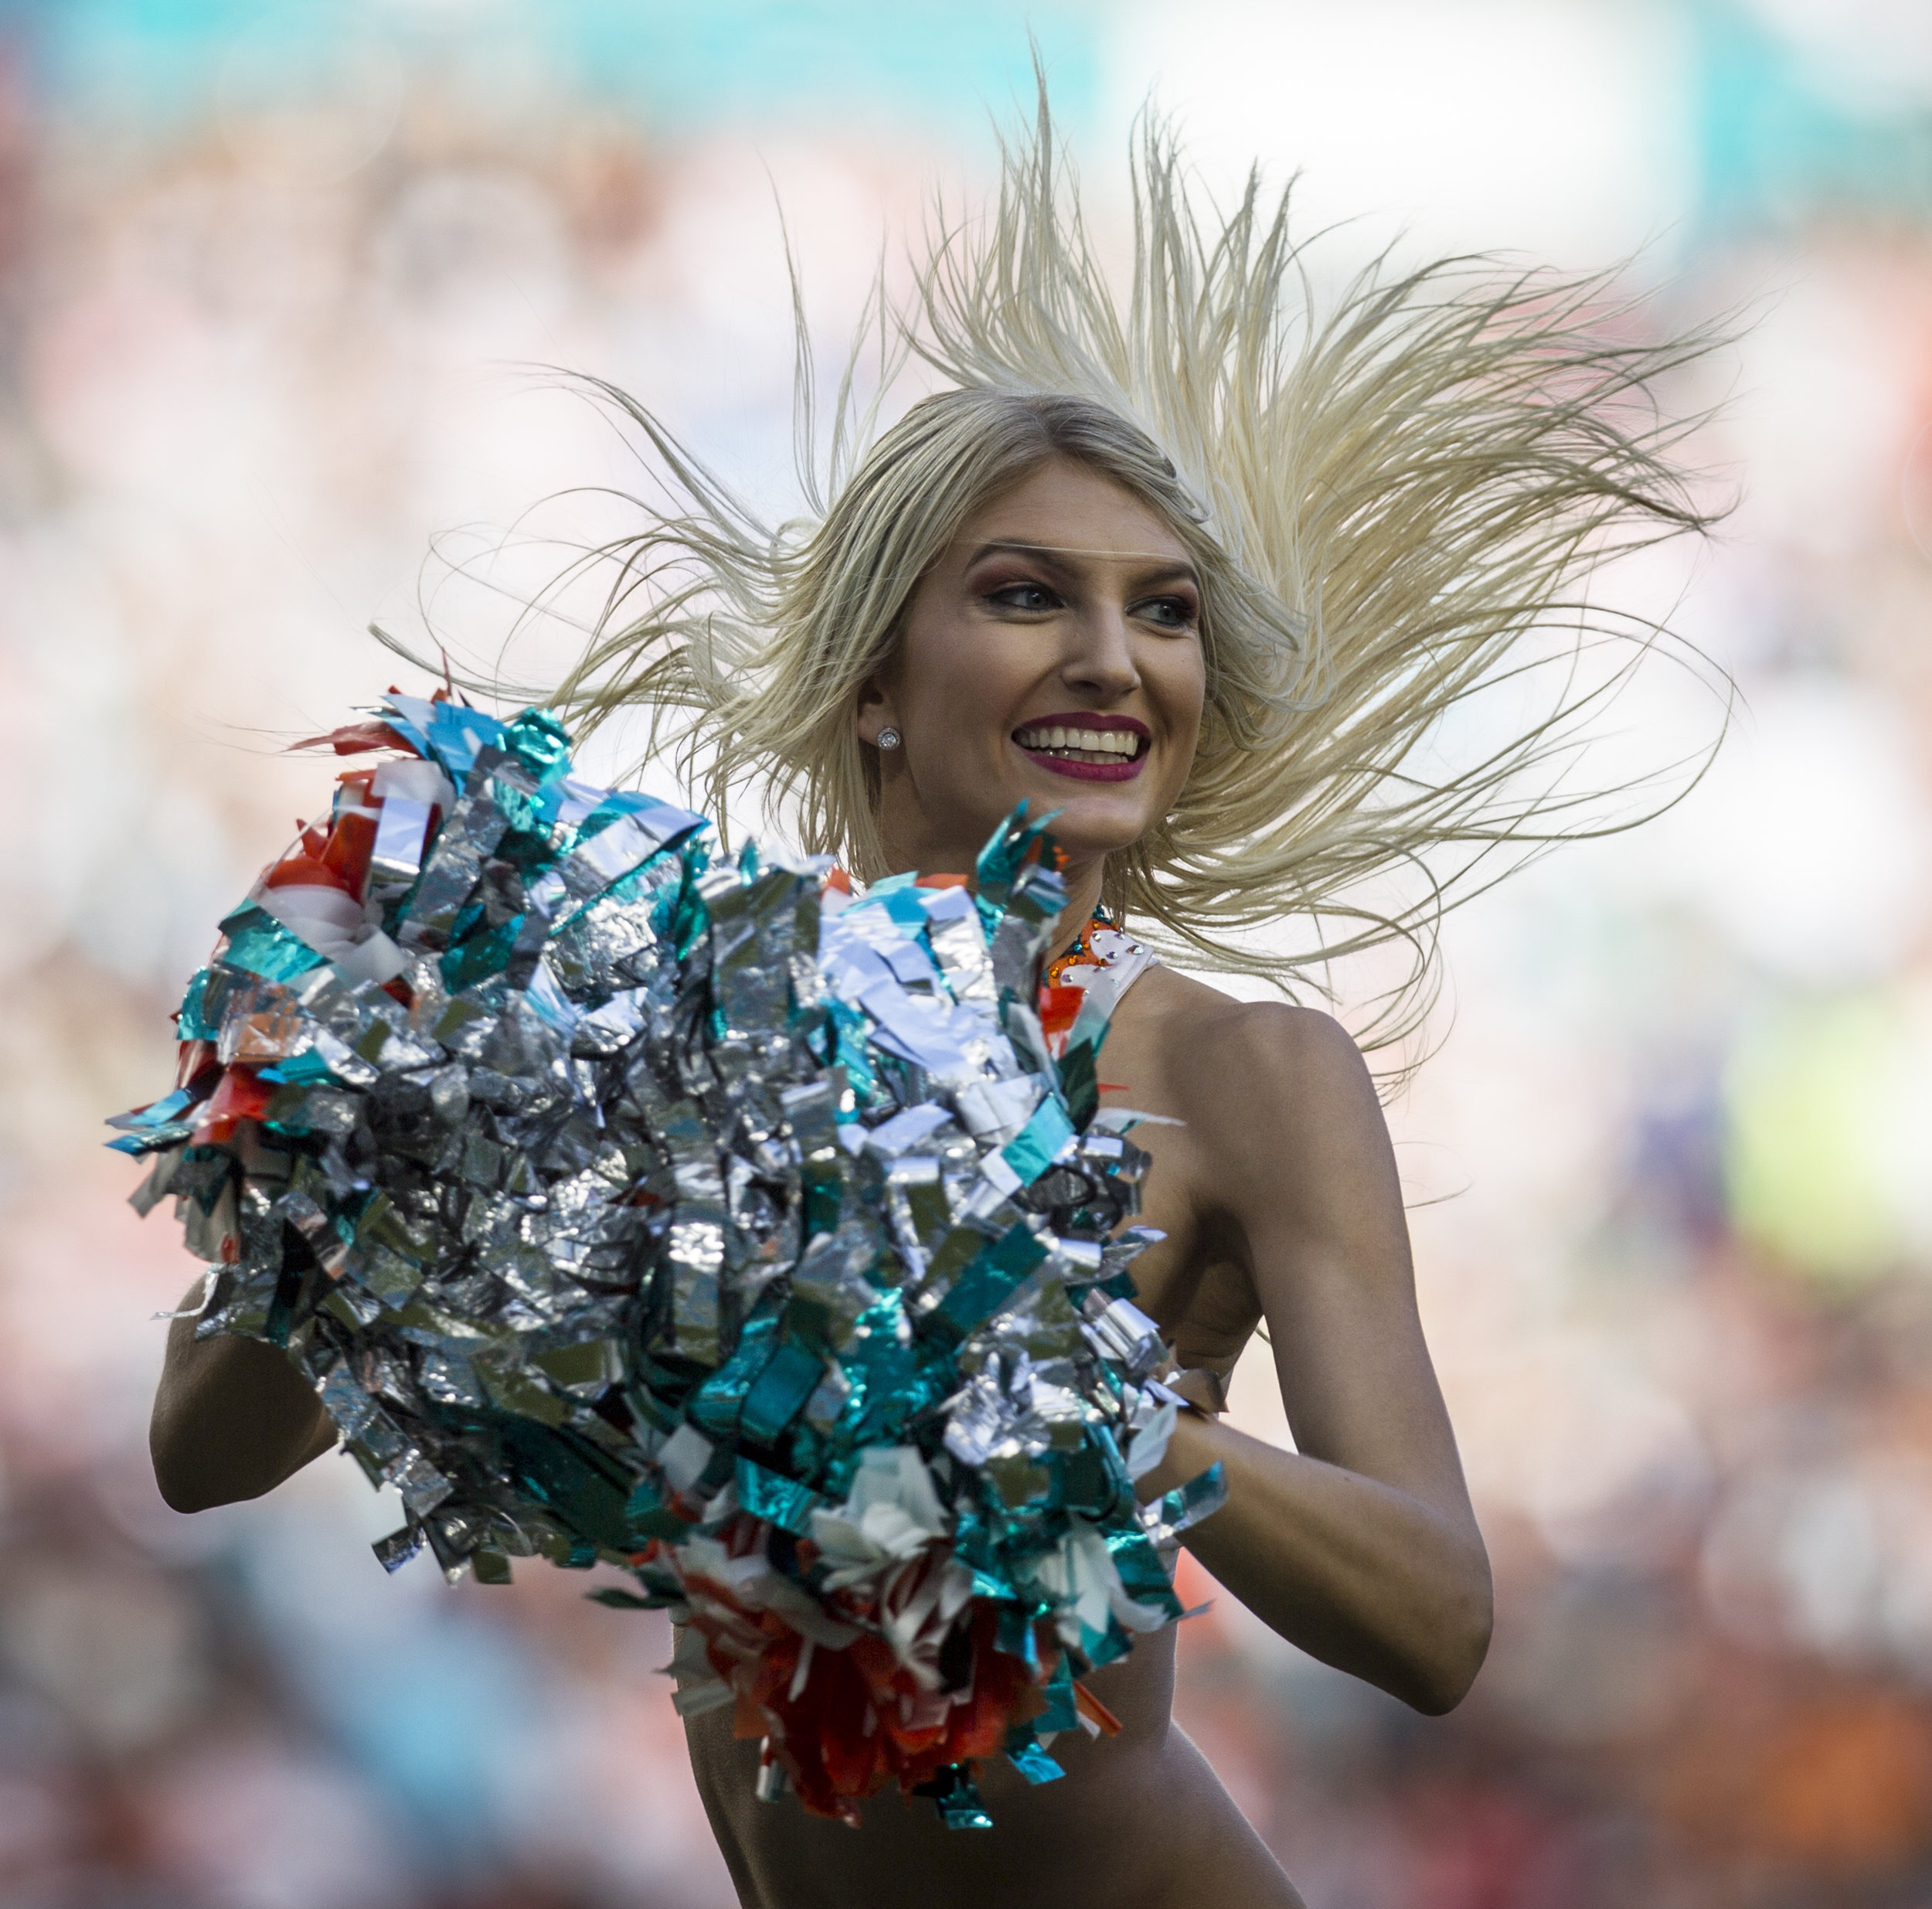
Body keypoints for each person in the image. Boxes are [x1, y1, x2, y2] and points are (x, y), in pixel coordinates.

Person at [150, 94, 1720, 1909]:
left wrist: (1088, 1401)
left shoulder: (1242, 1068)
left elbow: (1435, 1616)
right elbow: (203, 1451)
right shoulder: (658, 1011)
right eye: (1027, 593)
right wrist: (356, 1117)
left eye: (1166, 611)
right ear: (879, 673)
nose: (1114, 659)